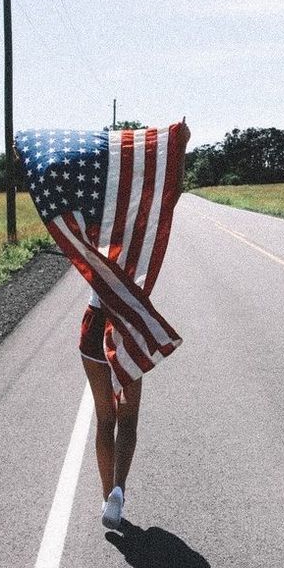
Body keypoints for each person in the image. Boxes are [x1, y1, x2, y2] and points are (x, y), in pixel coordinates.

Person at [80, 120, 190, 530]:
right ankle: (118, 495)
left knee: (104, 419)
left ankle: (105, 494)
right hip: (130, 323)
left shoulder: (94, 218)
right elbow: (174, 192)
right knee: (128, 420)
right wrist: (181, 146)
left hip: (95, 322)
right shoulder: (145, 219)